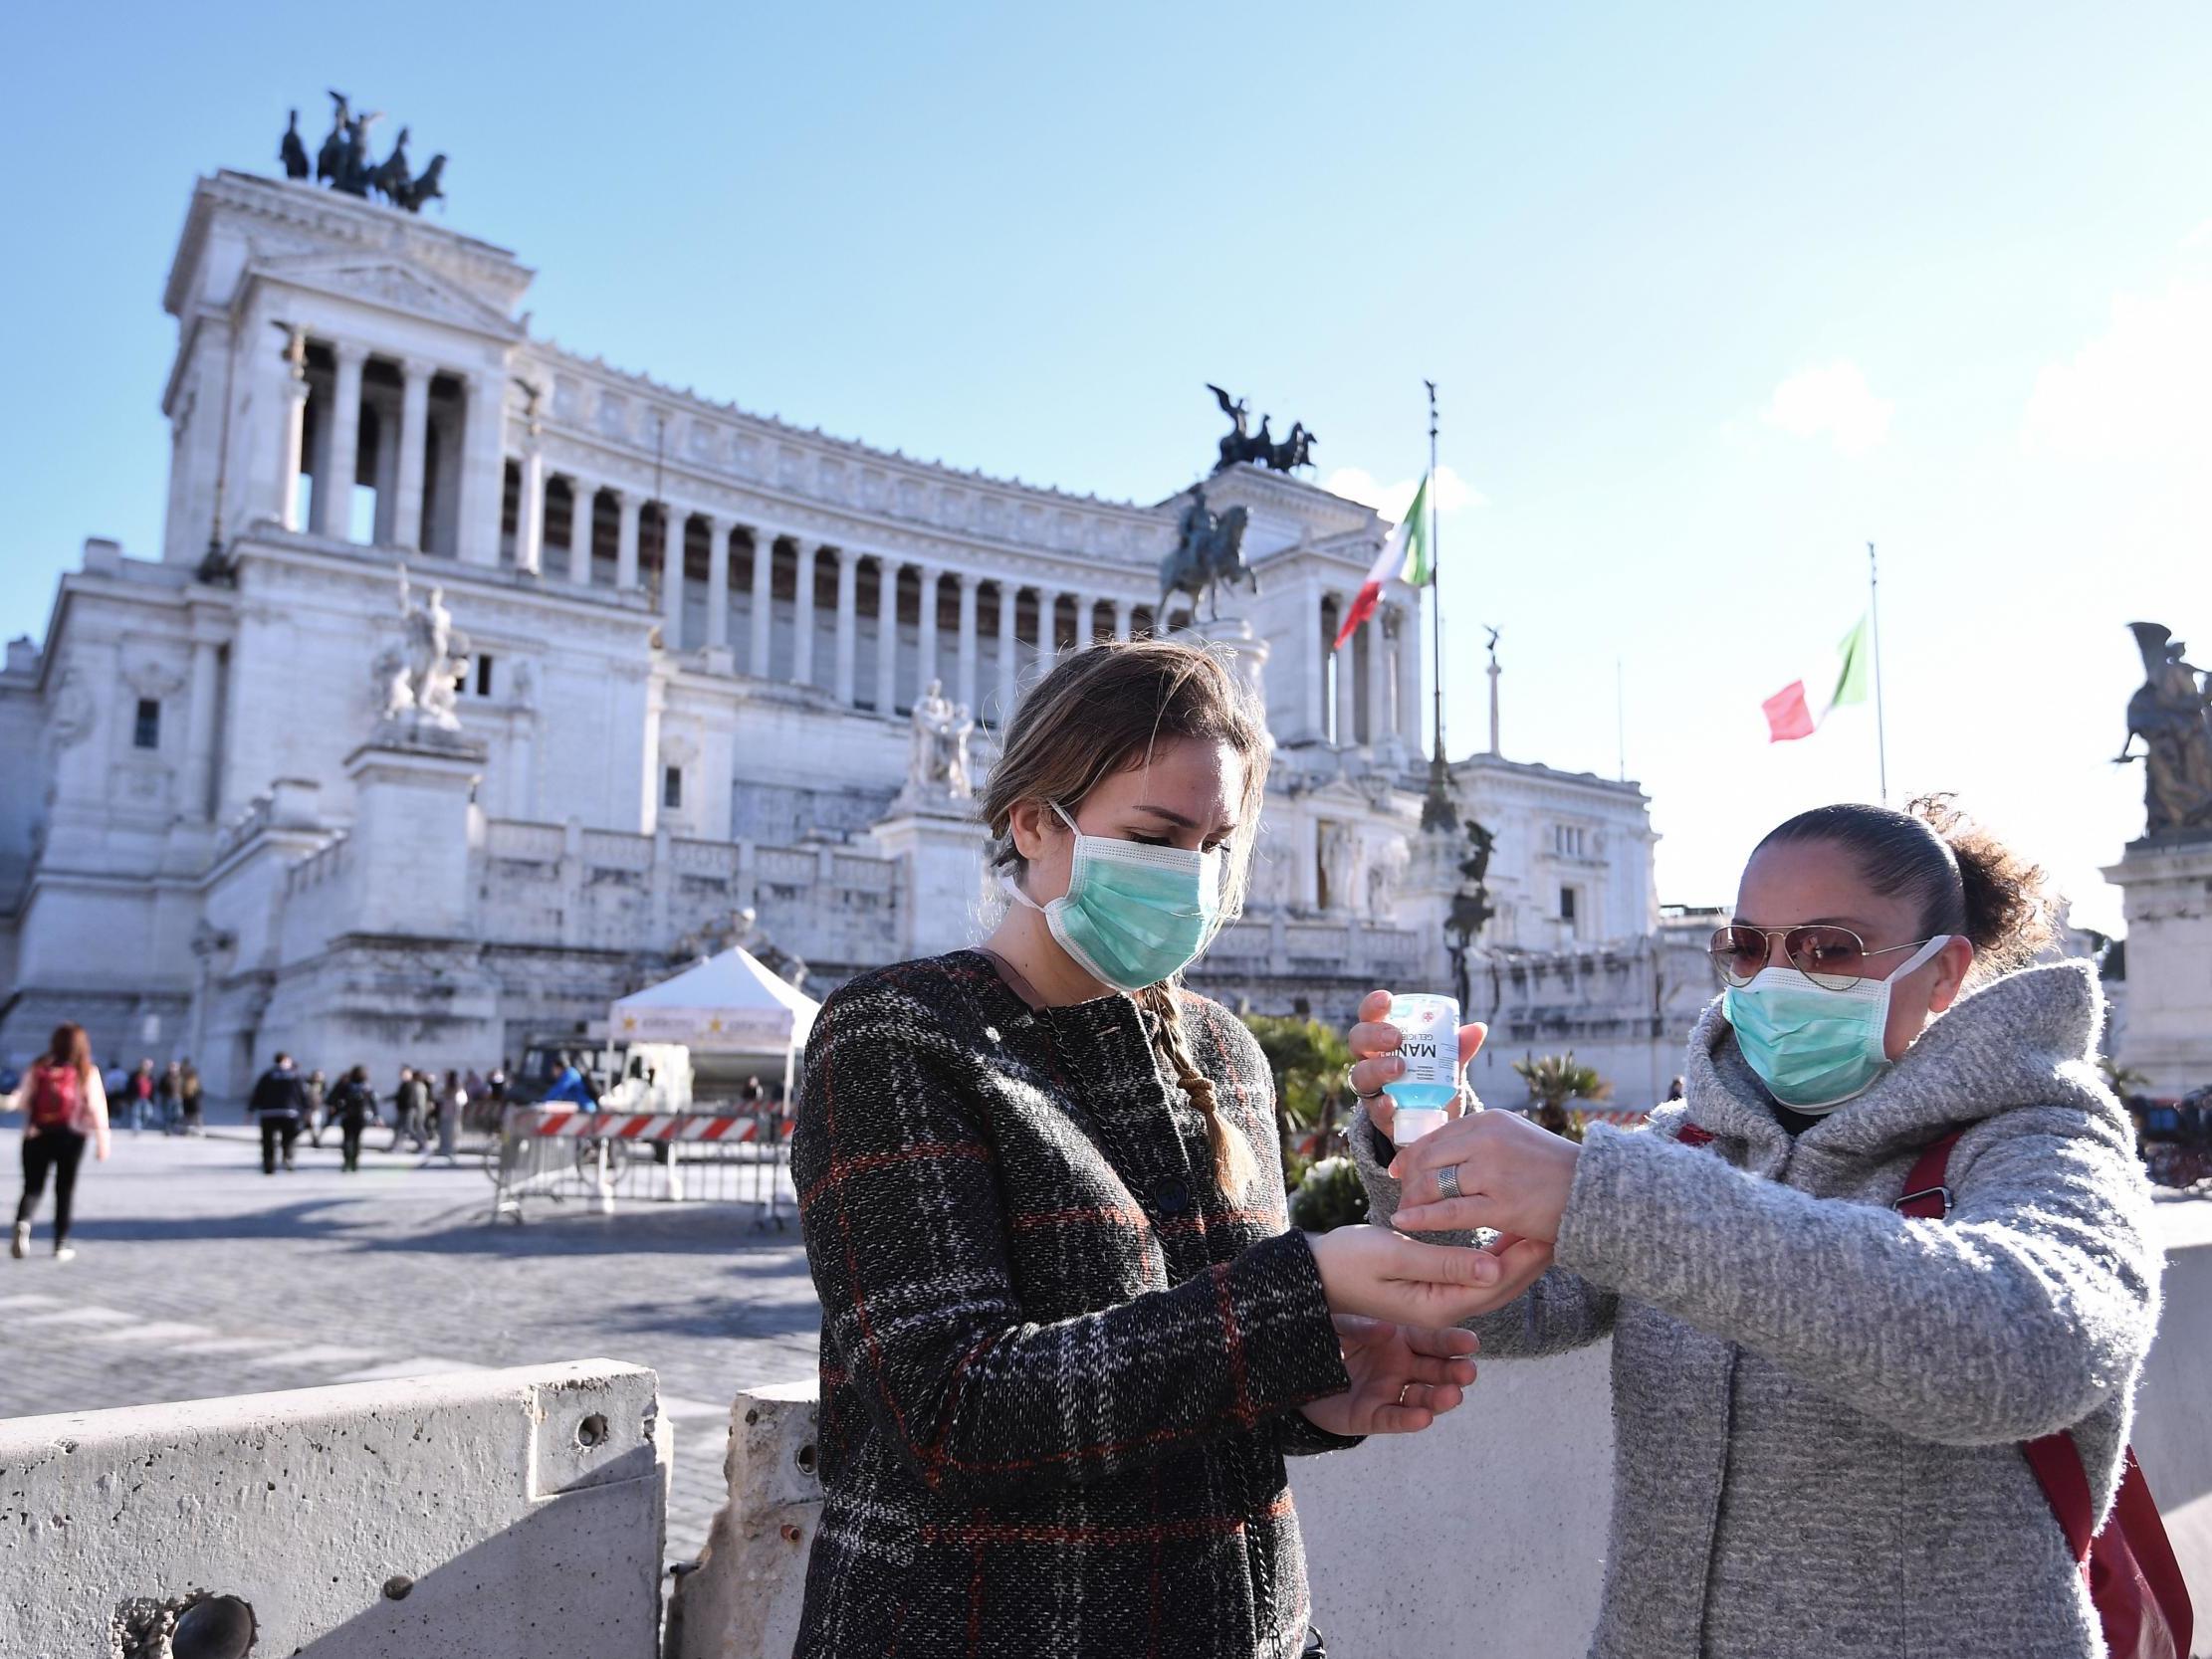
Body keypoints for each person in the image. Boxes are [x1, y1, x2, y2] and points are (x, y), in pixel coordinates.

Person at [789, 640, 1516, 1659]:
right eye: (1155, 834)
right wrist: (1297, 1290)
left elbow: (1197, 1371)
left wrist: (1320, 1387)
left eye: (1215, 842)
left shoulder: (1222, 1051)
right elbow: (951, 1410)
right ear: (1033, 822)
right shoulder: (898, 1034)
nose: (1192, 875)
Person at [1346, 796, 2162, 1659]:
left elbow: (2024, 1346)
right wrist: (1430, 1142)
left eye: (1827, 949)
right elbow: (1506, 1306)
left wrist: (1607, 1194)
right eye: (1747, 947)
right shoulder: (1690, 1138)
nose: (1776, 979)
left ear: (1944, 972)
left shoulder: (2044, 1134)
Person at [5, 1022, 111, 1262]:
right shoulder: (86, 1071)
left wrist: (10, 1102)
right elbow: (96, 1107)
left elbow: (22, 1100)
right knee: (64, 1190)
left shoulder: (40, 1066)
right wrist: (103, 1140)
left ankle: (23, 1223)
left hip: (36, 1134)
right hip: (71, 1136)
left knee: (32, 1187)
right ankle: (61, 1243)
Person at [247, 1053, 310, 1174]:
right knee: (289, 1139)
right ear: (287, 1060)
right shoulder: (296, 1076)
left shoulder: (267, 1075)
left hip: (268, 1113)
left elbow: (257, 1093)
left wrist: (250, 1110)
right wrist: (307, 1110)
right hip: (290, 1113)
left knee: (268, 1141)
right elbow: (303, 1095)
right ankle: (288, 1156)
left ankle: (269, 1164)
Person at [330, 1066, 377, 1173]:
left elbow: (335, 1098)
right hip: (360, 1117)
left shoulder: (346, 1086)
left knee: (347, 1139)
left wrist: (337, 1109)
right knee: (356, 1140)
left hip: (347, 1116)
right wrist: (376, 1116)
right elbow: (373, 1103)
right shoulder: (366, 1087)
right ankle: (354, 1162)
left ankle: (347, 1161)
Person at [387, 1066, 428, 1151]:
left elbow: (411, 1099)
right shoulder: (404, 1084)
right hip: (403, 1109)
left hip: (408, 1109)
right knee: (398, 1128)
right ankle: (396, 1146)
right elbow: (398, 1096)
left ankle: (422, 1144)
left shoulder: (412, 1084)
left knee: (408, 1129)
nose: (402, 1075)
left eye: (405, 1073)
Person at [430, 1069, 466, 1163]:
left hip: (451, 1112)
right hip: (447, 1111)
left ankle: (448, 1149)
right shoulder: (450, 1086)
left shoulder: (454, 1086)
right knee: (445, 1131)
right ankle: (445, 1148)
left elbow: (452, 1097)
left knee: (450, 1131)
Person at [123, 1059, 156, 1135]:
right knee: (136, 1114)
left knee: (148, 1114)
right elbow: (129, 1087)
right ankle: (136, 1129)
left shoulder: (151, 1077)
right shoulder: (135, 1076)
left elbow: (153, 1089)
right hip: (136, 1098)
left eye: (148, 1065)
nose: (146, 1067)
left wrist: (152, 1099)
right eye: (145, 1065)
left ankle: (140, 1126)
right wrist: (128, 1098)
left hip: (147, 1099)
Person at [303, 1068, 329, 1148]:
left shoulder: (322, 1086)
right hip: (309, 1108)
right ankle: (315, 1140)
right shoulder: (307, 1086)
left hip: (318, 1108)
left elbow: (325, 1097)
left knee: (317, 1125)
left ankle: (316, 1140)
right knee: (312, 1125)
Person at [155, 1060, 183, 1134]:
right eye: (172, 1066)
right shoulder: (165, 1077)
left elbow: (183, 1087)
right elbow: (159, 1088)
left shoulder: (180, 1077)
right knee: (168, 1114)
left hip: (178, 1098)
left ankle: (173, 1125)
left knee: (179, 1113)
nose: (173, 1068)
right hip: (167, 1098)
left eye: (175, 1067)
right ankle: (167, 1129)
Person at [178, 1060, 204, 1136]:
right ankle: (187, 1130)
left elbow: (200, 1092)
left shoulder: (195, 1082)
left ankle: (197, 1130)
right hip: (188, 1103)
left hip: (194, 1103)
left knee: (196, 1118)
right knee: (188, 1118)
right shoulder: (184, 1082)